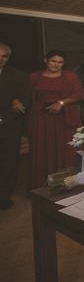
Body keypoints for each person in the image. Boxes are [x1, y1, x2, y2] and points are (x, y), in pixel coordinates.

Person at [27, 50, 83, 189]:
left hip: (65, 119)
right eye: (53, 61)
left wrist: (62, 103)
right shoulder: (34, 77)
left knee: (66, 149)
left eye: (60, 62)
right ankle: (42, 186)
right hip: (42, 120)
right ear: (45, 60)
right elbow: (29, 97)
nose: (56, 65)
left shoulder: (70, 76)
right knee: (43, 149)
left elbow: (79, 94)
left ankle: (65, 184)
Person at [0, 43, 31, 209]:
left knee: (8, 163)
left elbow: (25, 101)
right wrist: (11, 103)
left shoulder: (19, 76)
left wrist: (2, 118)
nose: (0, 59)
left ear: (8, 58)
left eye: (4, 56)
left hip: (9, 128)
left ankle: (3, 196)